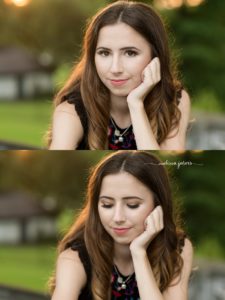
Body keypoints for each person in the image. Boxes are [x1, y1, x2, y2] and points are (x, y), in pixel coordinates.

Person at [50, 150, 193, 300]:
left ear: (158, 205)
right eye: (107, 205)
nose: (118, 218)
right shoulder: (75, 258)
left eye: (132, 205)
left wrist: (138, 253)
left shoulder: (177, 248)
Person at [48, 1, 191, 150]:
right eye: (104, 53)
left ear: (155, 56)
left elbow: (158, 163)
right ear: (92, 58)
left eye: (130, 53)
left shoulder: (174, 99)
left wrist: (136, 105)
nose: (115, 68)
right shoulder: (71, 110)